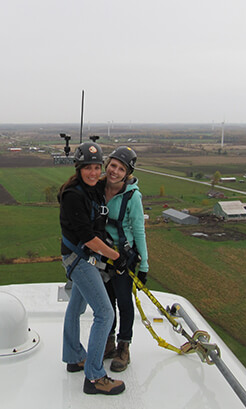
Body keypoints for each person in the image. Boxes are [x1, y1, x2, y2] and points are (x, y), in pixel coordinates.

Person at [58, 141, 128, 396]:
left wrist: (129, 182)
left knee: (76, 307)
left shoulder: (93, 190)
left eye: (97, 167)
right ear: (79, 168)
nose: (93, 172)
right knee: (105, 314)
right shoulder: (74, 196)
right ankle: (95, 377)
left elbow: (117, 184)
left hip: (83, 257)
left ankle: (75, 357)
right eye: (87, 167)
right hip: (79, 259)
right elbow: (87, 238)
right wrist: (116, 256)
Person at [101, 146, 149, 372]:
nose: (115, 171)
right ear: (107, 165)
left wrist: (144, 265)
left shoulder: (133, 196)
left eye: (121, 169)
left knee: (124, 301)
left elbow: (139, 230)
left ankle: (123, 346)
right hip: (102, 253)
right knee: (106, 301)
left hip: (123, 256)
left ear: (127, 173)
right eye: (113, 166)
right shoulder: (98, 188)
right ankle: (109, 342)